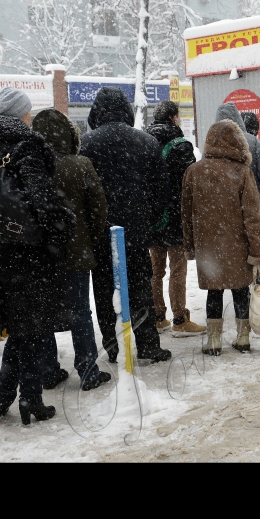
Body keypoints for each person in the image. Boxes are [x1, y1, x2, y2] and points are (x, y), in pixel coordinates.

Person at [0, 88, 76, 424]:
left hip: (3, 250)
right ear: (21, 114)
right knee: (33, 326)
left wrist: (4, 231)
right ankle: (30, 400)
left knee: (20, 326)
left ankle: (3, 397)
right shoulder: (28, 144)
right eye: (28, 111)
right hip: (32, 250)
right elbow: (42, 199)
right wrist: (61, 227)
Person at [80, 87, 172, 364]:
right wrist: (147, 220)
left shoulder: (87, 143)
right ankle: (147, 344)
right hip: (135, 229)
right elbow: (162, 191)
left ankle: (113, 347)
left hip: (100, 231)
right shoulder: (146, 141)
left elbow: (81, 193)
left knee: (104, 288)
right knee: (140, 284)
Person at [31, 109, 112, 391]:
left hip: (41, 254)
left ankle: (48, 371)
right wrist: (87, 237)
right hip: (75, 252)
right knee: (80, 311)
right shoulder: (80, 165)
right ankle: (88, 370)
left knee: (42, 313)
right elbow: (98, 208)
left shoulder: (31, 166)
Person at [182, 120, 260, 355]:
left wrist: (190, 245)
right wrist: (258, 251)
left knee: (214, 291)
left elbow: (186, 214)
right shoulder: (242, 172)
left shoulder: (194, 171)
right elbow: (252, 216)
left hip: (208, 246)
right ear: (237, 142)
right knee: (240, 290)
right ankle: (242, 337)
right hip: (237, 244)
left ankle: (213, 341)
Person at [146, 101, 206, 336]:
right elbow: (189, 183)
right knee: (178, 269)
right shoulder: (181, 146)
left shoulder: (144, 142)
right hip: (175, 216)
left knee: (155, 269)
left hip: (153, 216)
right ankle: (179, 318)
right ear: (174, 118)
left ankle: (158, 316)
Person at [215, 103, 260, 291]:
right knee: (258, 253)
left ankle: (240, 298)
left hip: (224, 213)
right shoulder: (252, 142)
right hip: (254, 209)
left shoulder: (212, 144)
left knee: (232, 257)